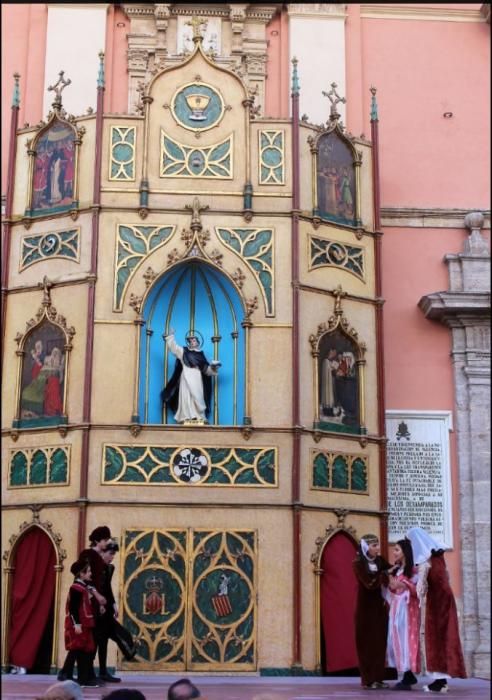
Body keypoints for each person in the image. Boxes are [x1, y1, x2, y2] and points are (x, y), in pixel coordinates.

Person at [406, 527, 467, 693]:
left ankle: (439, 682)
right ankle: (440, 681)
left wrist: (408, 583)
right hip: (444, 601)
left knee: (435, 641)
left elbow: (420, 589)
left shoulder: (426, 560)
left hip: (438, 604)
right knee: (442, 640)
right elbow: (445, 578)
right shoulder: (438, 556)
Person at [58, 526, 111, 682]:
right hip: (82, 616)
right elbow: (84, 584)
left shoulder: (98, 558)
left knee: (87, 644)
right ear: (97, 541)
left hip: (90, 608)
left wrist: (99, 600)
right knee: (80, 646)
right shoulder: (88, 556)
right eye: (105, 540)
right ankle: (80, 674)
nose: (107, 543)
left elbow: (96, 582)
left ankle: (83, 674)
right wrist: (96, 595)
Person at [352, 533, 393, 690]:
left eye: (377, 545)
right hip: (364, 608)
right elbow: (369, 583)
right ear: (366, 547)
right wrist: (384, 575)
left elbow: (391, 570)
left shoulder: (380, 560)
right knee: (366, 644)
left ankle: (379, 678)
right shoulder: (357, 563)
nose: (377, 548)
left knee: (379, 642)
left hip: (379, 607)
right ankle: (368, 679)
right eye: (374, 545)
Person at [161, 329, 219, 423]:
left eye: (194, 340)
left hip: (197, 378)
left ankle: (199, 416)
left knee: (198, 396)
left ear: (198, 342)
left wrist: (213, 367)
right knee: (186, 396)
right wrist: (171, 336)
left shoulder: (201, 355)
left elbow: (207, 371)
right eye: (190, 341)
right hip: (186, 377)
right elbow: (174, 348)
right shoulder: (184, 352)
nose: (192, 342)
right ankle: (186, 416)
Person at [98, 541, 137, 683]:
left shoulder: (109, 568)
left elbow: (107, 588)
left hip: (106, 609)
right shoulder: (95, 568)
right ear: (102, 553)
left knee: (111, 637)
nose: (112, 557)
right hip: (98, 610)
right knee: (102, 640)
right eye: (110, 554)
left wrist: (113, 604)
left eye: (113, 554)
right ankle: (101, 672)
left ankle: (103, 672)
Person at [385, 539, 420, 690]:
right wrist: (392, 585)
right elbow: (393, 590)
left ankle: (408, 676)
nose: (394, 552)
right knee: (396, 640)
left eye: (397, 550)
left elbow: (419, 590)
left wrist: (405, 585)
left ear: (405, 552)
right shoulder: (397, 570)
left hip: (407, 610)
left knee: (406, 640)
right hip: (396, 608)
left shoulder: (414, 570)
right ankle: (407, 674)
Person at [62, 558, 100, 688]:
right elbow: (73, 608)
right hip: (79, 625)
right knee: (79, 650)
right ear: (81, 574)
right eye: (88, 571)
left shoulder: (82, 587)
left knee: (87, 650)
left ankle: (83, 677)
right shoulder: (76, 588)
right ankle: (75, 676)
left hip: (86, 624)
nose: (90, 573)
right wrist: (77, 624)